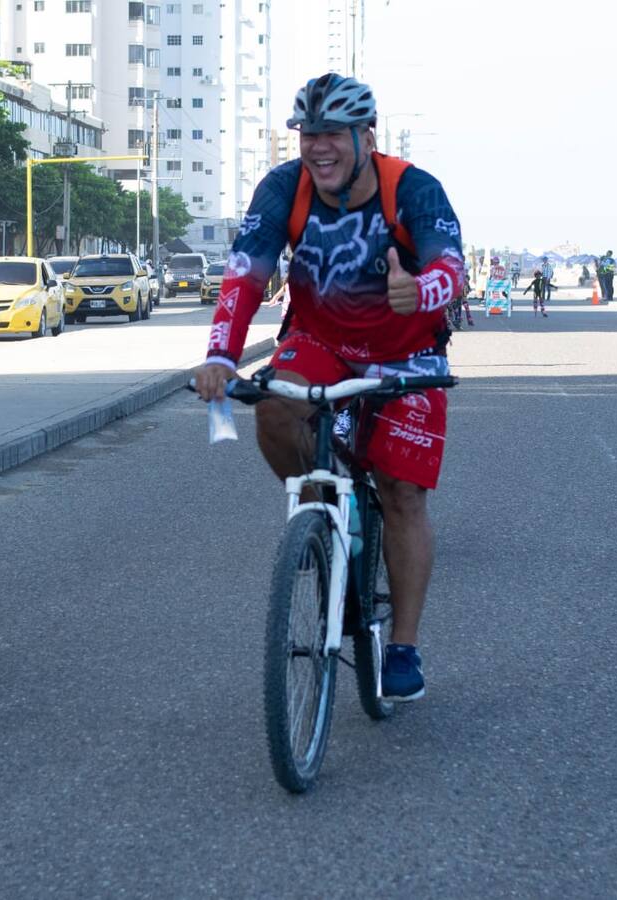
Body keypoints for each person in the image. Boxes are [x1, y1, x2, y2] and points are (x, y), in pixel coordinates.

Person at [194, 73, 465, 702]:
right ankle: (324, 520)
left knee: (402, 496)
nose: (318, 148)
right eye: (308, 134)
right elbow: (244, 275)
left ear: (365, 136)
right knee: (274, 407)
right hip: (320, 343)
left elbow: (451, 267)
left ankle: (402, 646)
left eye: (333, 135)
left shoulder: (413, 189)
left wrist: (418, 289)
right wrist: (220, 356)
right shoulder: (284, 189)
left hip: (407, 355)